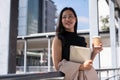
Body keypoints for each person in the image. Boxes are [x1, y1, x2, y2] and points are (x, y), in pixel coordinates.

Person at [52, 7, 103, 80]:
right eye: (64, 17)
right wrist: (81, 67)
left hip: (85, 77)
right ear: (61, 20)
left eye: (70, 16)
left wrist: (94, 52)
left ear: (75, 19)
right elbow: (57, 66)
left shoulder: (82, 40)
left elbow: (87, 63)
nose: (67, 19)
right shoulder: (58, 39)